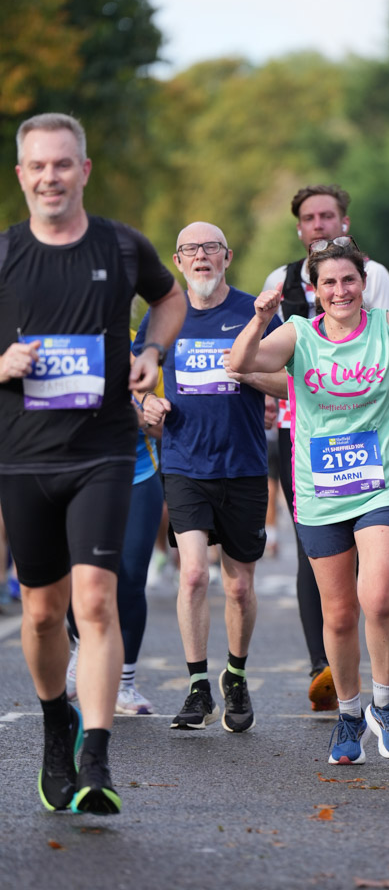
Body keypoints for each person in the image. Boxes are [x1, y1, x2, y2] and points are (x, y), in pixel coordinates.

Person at [0, 112, 186, 815]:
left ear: (84, 169)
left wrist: (149, 351)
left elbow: (167, 300)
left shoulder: (119, 244)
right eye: (38, 166)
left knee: (95, 602)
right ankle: (57, 725)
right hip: (22, 459)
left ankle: (96, 758)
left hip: (105, 450)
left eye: (63, 164)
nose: (51, 176)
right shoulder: (5, 256)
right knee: (43, 615)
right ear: (22, 176)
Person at [231, 237, 389, 765]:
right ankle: (348, 714)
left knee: (380, 595)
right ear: (314, 292)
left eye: (349, 280)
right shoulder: (296, 335)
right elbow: (240, 361)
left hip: (382, 481)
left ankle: (385, 706)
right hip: (320, 490)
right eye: (329, 283)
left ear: (363, 284)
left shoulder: (388, 327)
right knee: (338, 615)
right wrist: (260, 318)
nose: (340, 290)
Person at [262, 184, 389, 713]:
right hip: (303, 433)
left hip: (367, 426)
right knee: (317, 555)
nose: (320, 224)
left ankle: (375, 679)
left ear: (344, 222)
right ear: (300, 228)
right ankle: (321, 663)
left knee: (373, 575)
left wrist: (352, 368)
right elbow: (263, 361)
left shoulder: (376, 279)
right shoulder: (279, 283)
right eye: (310, 217)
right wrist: (289, 386)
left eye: (328, 216)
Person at [135, 221, 283, 734]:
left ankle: (234, 676)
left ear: (227, 256)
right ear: (177, 262)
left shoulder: (254, 311)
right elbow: (133, 386)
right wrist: (145, 403)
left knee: (240, 587)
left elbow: (289, 379)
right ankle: (198, 685)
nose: (201, 256)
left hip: (242, 464)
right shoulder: (163, 319)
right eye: (190, 250)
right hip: (184, 462)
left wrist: (250, 375)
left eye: (211, 248)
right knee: (194, 574)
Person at [67, 347, 169, 715]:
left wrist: (142, 412)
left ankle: (124, 684)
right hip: (76, 474)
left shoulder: (130, 345)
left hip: (136, 475)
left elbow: (158, 425)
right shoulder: (49, 335)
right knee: (73, 577)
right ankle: (81, 643)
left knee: (128, 581)